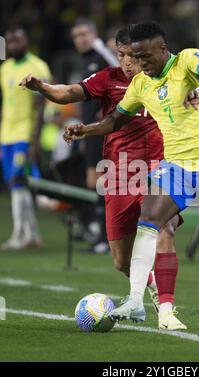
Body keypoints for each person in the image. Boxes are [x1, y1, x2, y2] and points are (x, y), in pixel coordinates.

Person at [63, 21, 199, 326]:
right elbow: (116, 121)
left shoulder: (187, 61)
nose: (140, 64)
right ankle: (135, 301)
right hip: (176, 167)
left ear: (162, 49)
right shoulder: (141, 84)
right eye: (136, 57)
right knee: (149, 220)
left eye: (145, 57)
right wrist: (87, 130)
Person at [20, 27, 187, 330]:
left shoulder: (166, 77)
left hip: (160, 168)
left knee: (165, 229)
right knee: (121, 261)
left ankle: (166, 309)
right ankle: (144, 290)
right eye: (120, 54)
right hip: (120, 172)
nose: (125, 62)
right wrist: (42, 87)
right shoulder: (108, 79)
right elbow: (69, 92)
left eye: (131, 55)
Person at [0, 27, 51, 250]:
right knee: (15, 184)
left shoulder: (38, 66)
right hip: (6, 134)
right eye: (9, 41)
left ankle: (20, 235)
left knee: (18, 181)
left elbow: (41, 105)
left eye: (17, 40)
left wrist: (35, 139)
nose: (12, 44)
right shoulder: (5, 68)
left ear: (26, 41)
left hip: (24, 132)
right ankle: (31, 234)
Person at [71, 18, 119, 253]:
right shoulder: (88, 60)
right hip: (90, 129)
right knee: (94, 183)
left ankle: (106, 236)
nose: (80, 39)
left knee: (103, 183)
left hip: (104, 128)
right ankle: (98, 231)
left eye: (83, 34)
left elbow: (120, 75)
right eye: (76, 36)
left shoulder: (102, 54)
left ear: (94, 34)